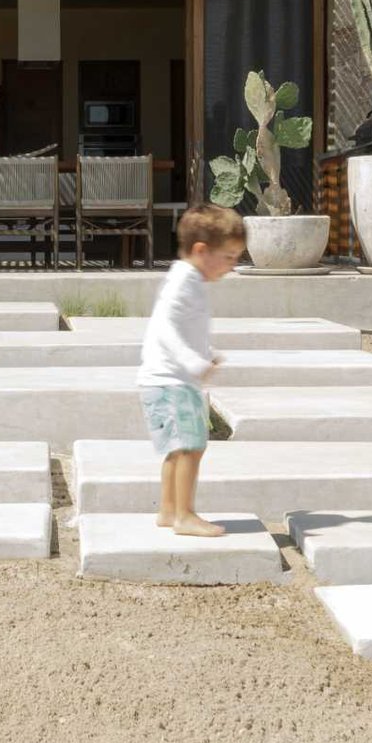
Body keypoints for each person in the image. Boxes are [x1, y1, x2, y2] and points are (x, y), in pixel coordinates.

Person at [138, 201, 247, 537]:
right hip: (171, 381)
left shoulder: (187, 279)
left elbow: (185, 328)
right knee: (191, 446)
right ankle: (184, 515)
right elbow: (165, 325)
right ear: (202, 250)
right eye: (228, 257)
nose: (232, 266)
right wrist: (191, 361)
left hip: (169, 380)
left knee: (177, 447)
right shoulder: (184, 280)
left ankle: (169, 511)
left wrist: (204, 353)